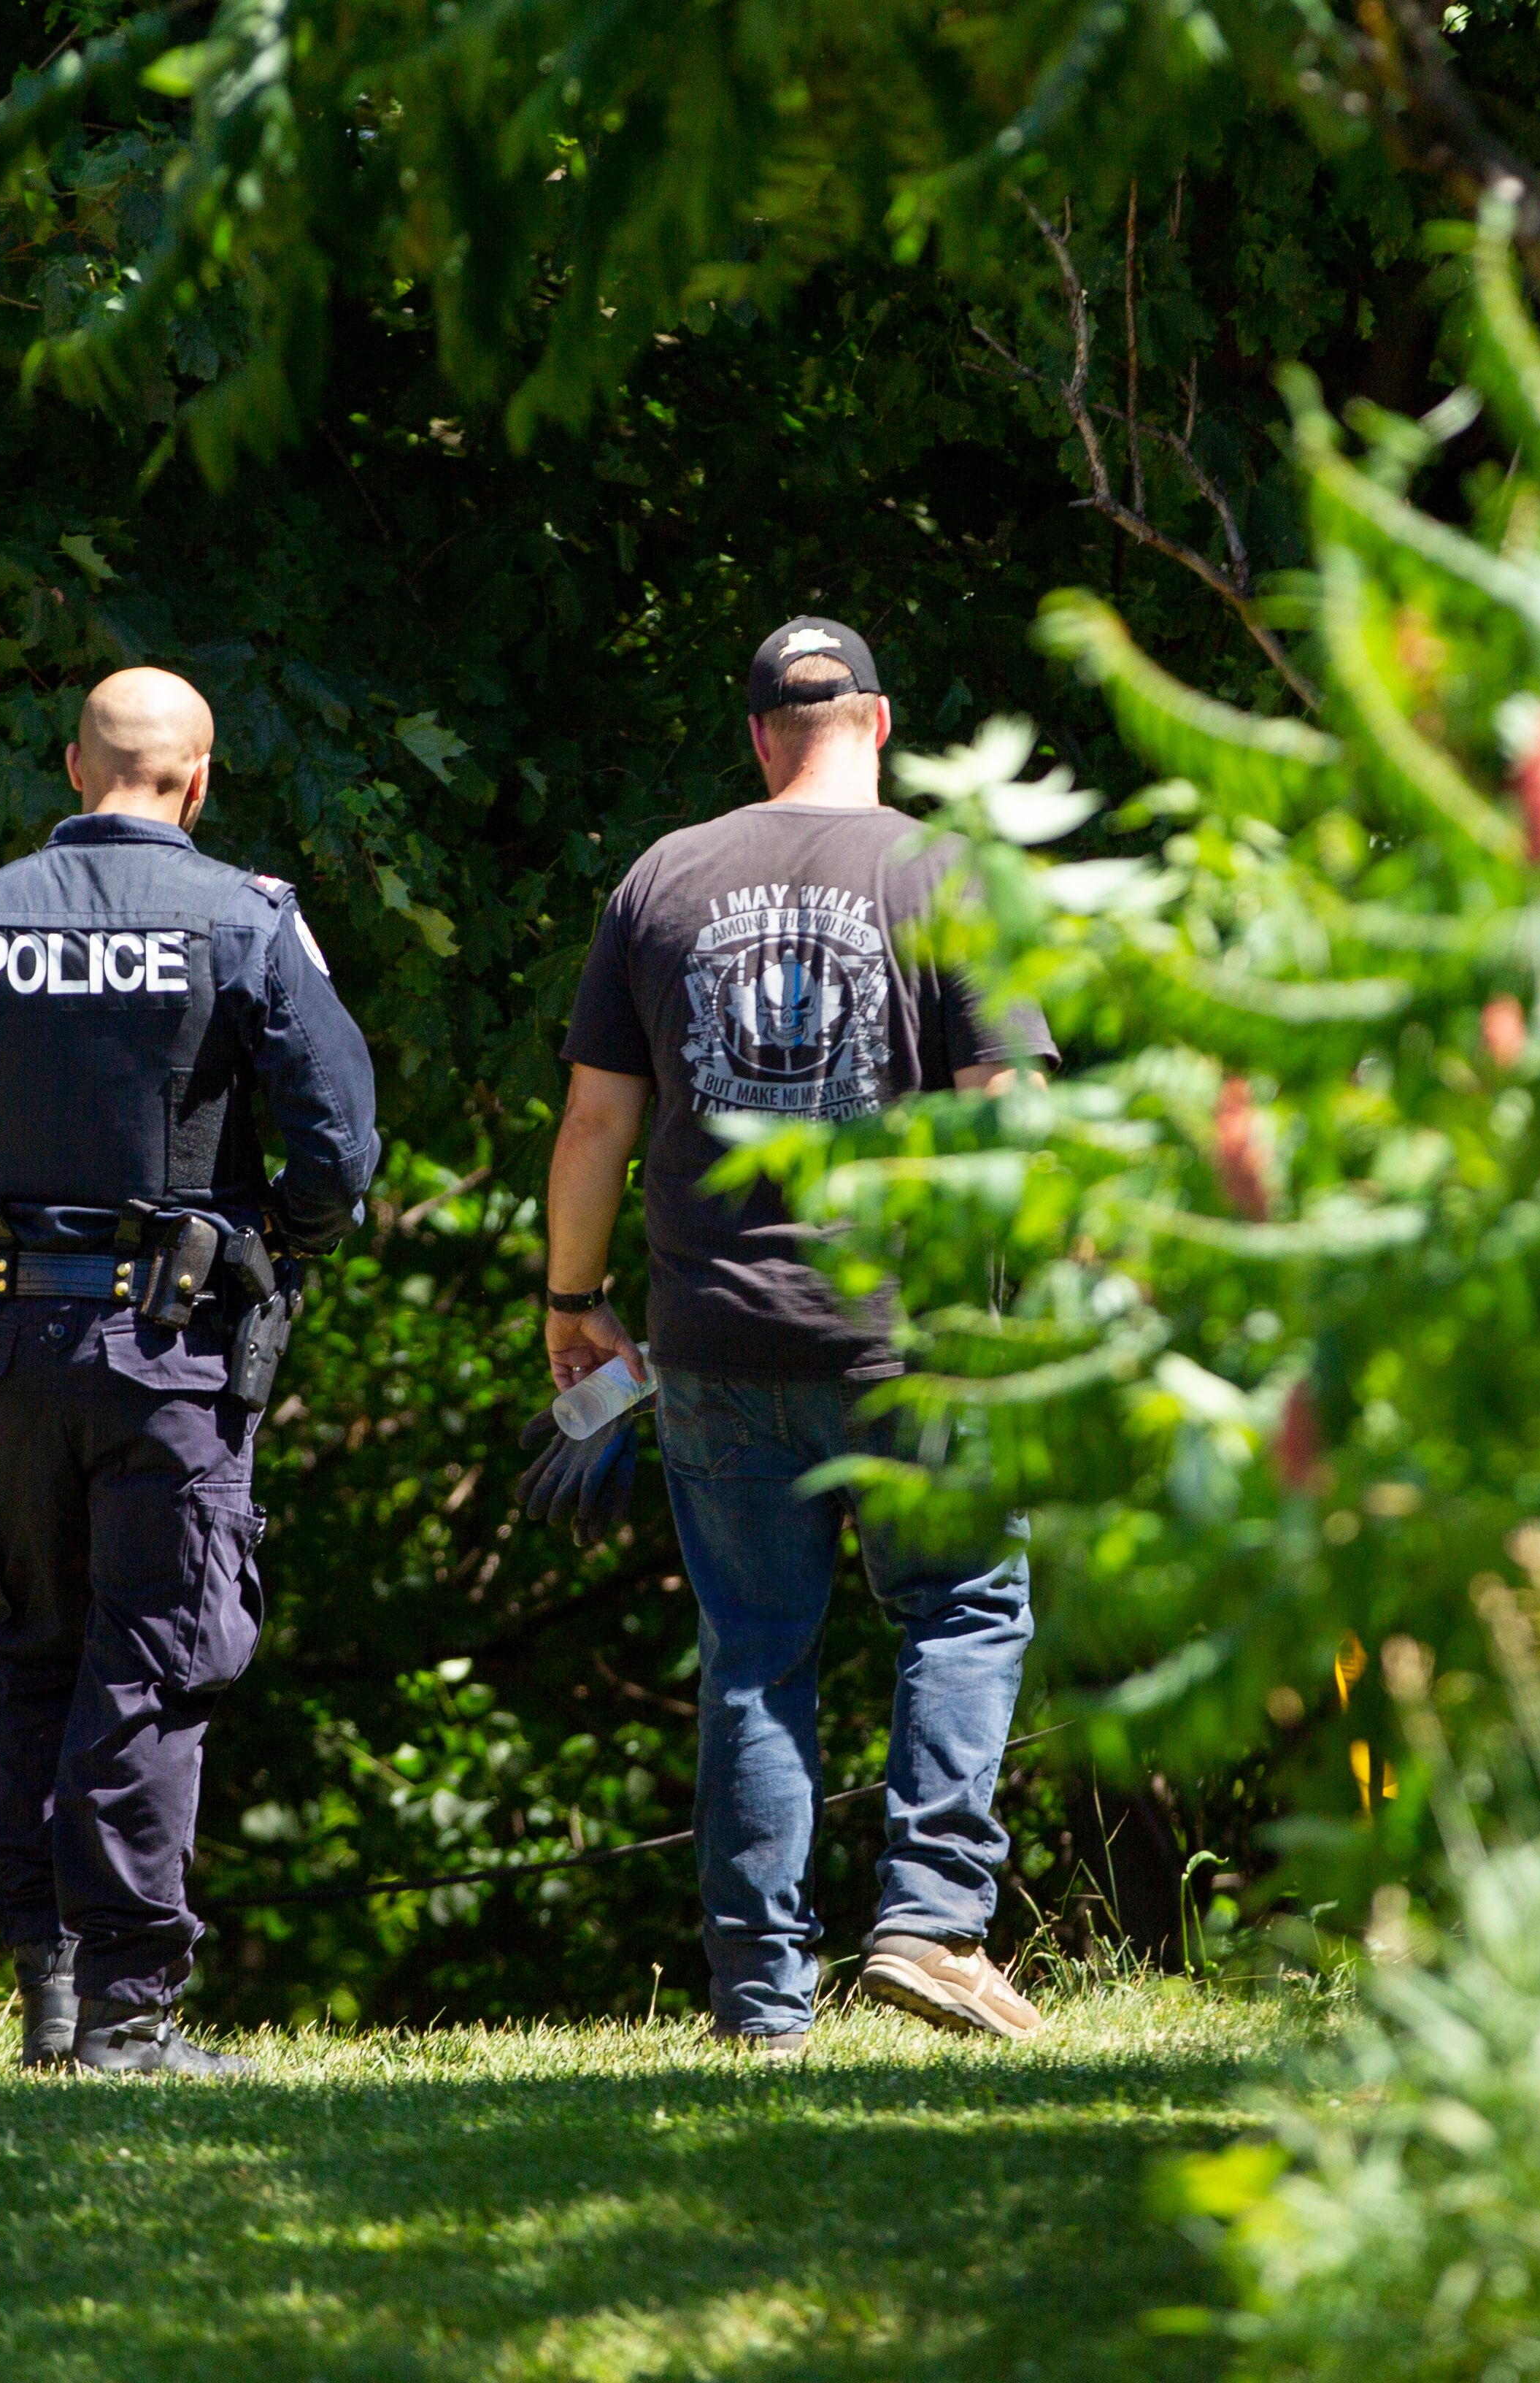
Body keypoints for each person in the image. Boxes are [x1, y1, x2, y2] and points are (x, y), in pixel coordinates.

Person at [543, 617, 1055, 2054]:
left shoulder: (663, 876)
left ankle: (763, 2002)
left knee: (758, 1650)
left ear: (759, 734)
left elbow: (596, 1121)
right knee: (960, 1611)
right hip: (916, 1337)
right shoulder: (948, 874)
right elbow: (1012, 1117)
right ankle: (932, 1924)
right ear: (878, 725)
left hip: (716, 1337)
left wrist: (571, 1303)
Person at [0, 665, 378, 2076]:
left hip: (4, 1345)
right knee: (153, 1660)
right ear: (198, 782)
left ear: (73, 770)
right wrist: (266, 1241)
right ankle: (131, 2020)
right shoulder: (248, 924)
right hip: (170, 1356)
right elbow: (339, 1151)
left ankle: (49, 1990)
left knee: (35, 1644)